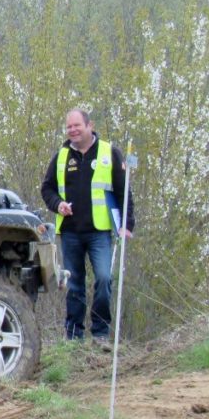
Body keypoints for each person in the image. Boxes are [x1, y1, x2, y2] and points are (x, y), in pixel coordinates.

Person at [41, 108, 135, 343]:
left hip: (99, 232)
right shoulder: (61, 156)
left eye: (77, 126)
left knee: (104, 279)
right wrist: (58, 204)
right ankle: (74, 336)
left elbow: (124, 192)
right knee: (74, 285)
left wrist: (126, 224)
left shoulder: (109, 152)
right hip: (70, 232)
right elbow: (47, 189)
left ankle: (101, 333)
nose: (72, 130)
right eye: (69, 127)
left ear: (89, 125)